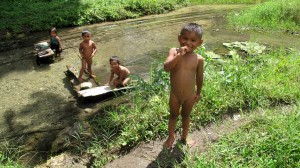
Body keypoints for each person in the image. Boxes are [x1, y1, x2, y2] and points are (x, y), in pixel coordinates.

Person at [163, 23, 204, 149]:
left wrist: (198, 92)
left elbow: (199, 77)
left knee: (186, 116)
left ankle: (184, 137)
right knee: (173, 115)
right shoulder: (174, 51)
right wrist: (179, 55)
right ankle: (171, 136)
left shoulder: (199, 59)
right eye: (185, 38)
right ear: (179, 38)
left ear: (200, 43)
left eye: (193, 40)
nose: (188, 43)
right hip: (175, 94)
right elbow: (166, 67)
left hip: (189, 95)